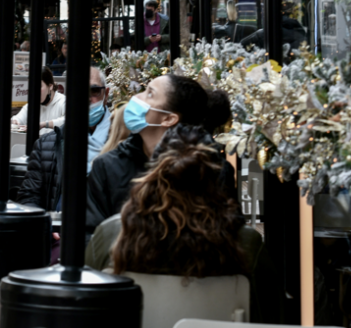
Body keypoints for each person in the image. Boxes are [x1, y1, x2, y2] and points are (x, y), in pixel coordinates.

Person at [86, 124, 270, 328]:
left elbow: (84, 319)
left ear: (153, 170)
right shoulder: (246, 244)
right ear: (218, 179)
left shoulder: (111, 234)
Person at [85, 74, 213, 237]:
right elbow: (91, 236)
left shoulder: (208, 168)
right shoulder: (107, 166)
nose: (137, 96)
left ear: (168, 118)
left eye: (150, 93)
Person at [17, 66, 111, 212]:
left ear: (106, 94)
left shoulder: (123, 143)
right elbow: (29, 197)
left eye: (94, 91)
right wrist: (49, 226)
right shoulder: (44, 146)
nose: (87, 98)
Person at [12, 67, 66, 136]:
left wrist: (44, 124)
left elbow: (68, 122)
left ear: (50, 86)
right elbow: (18, 118)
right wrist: (15, 121)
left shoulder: (63, 101)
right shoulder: (31, 106)